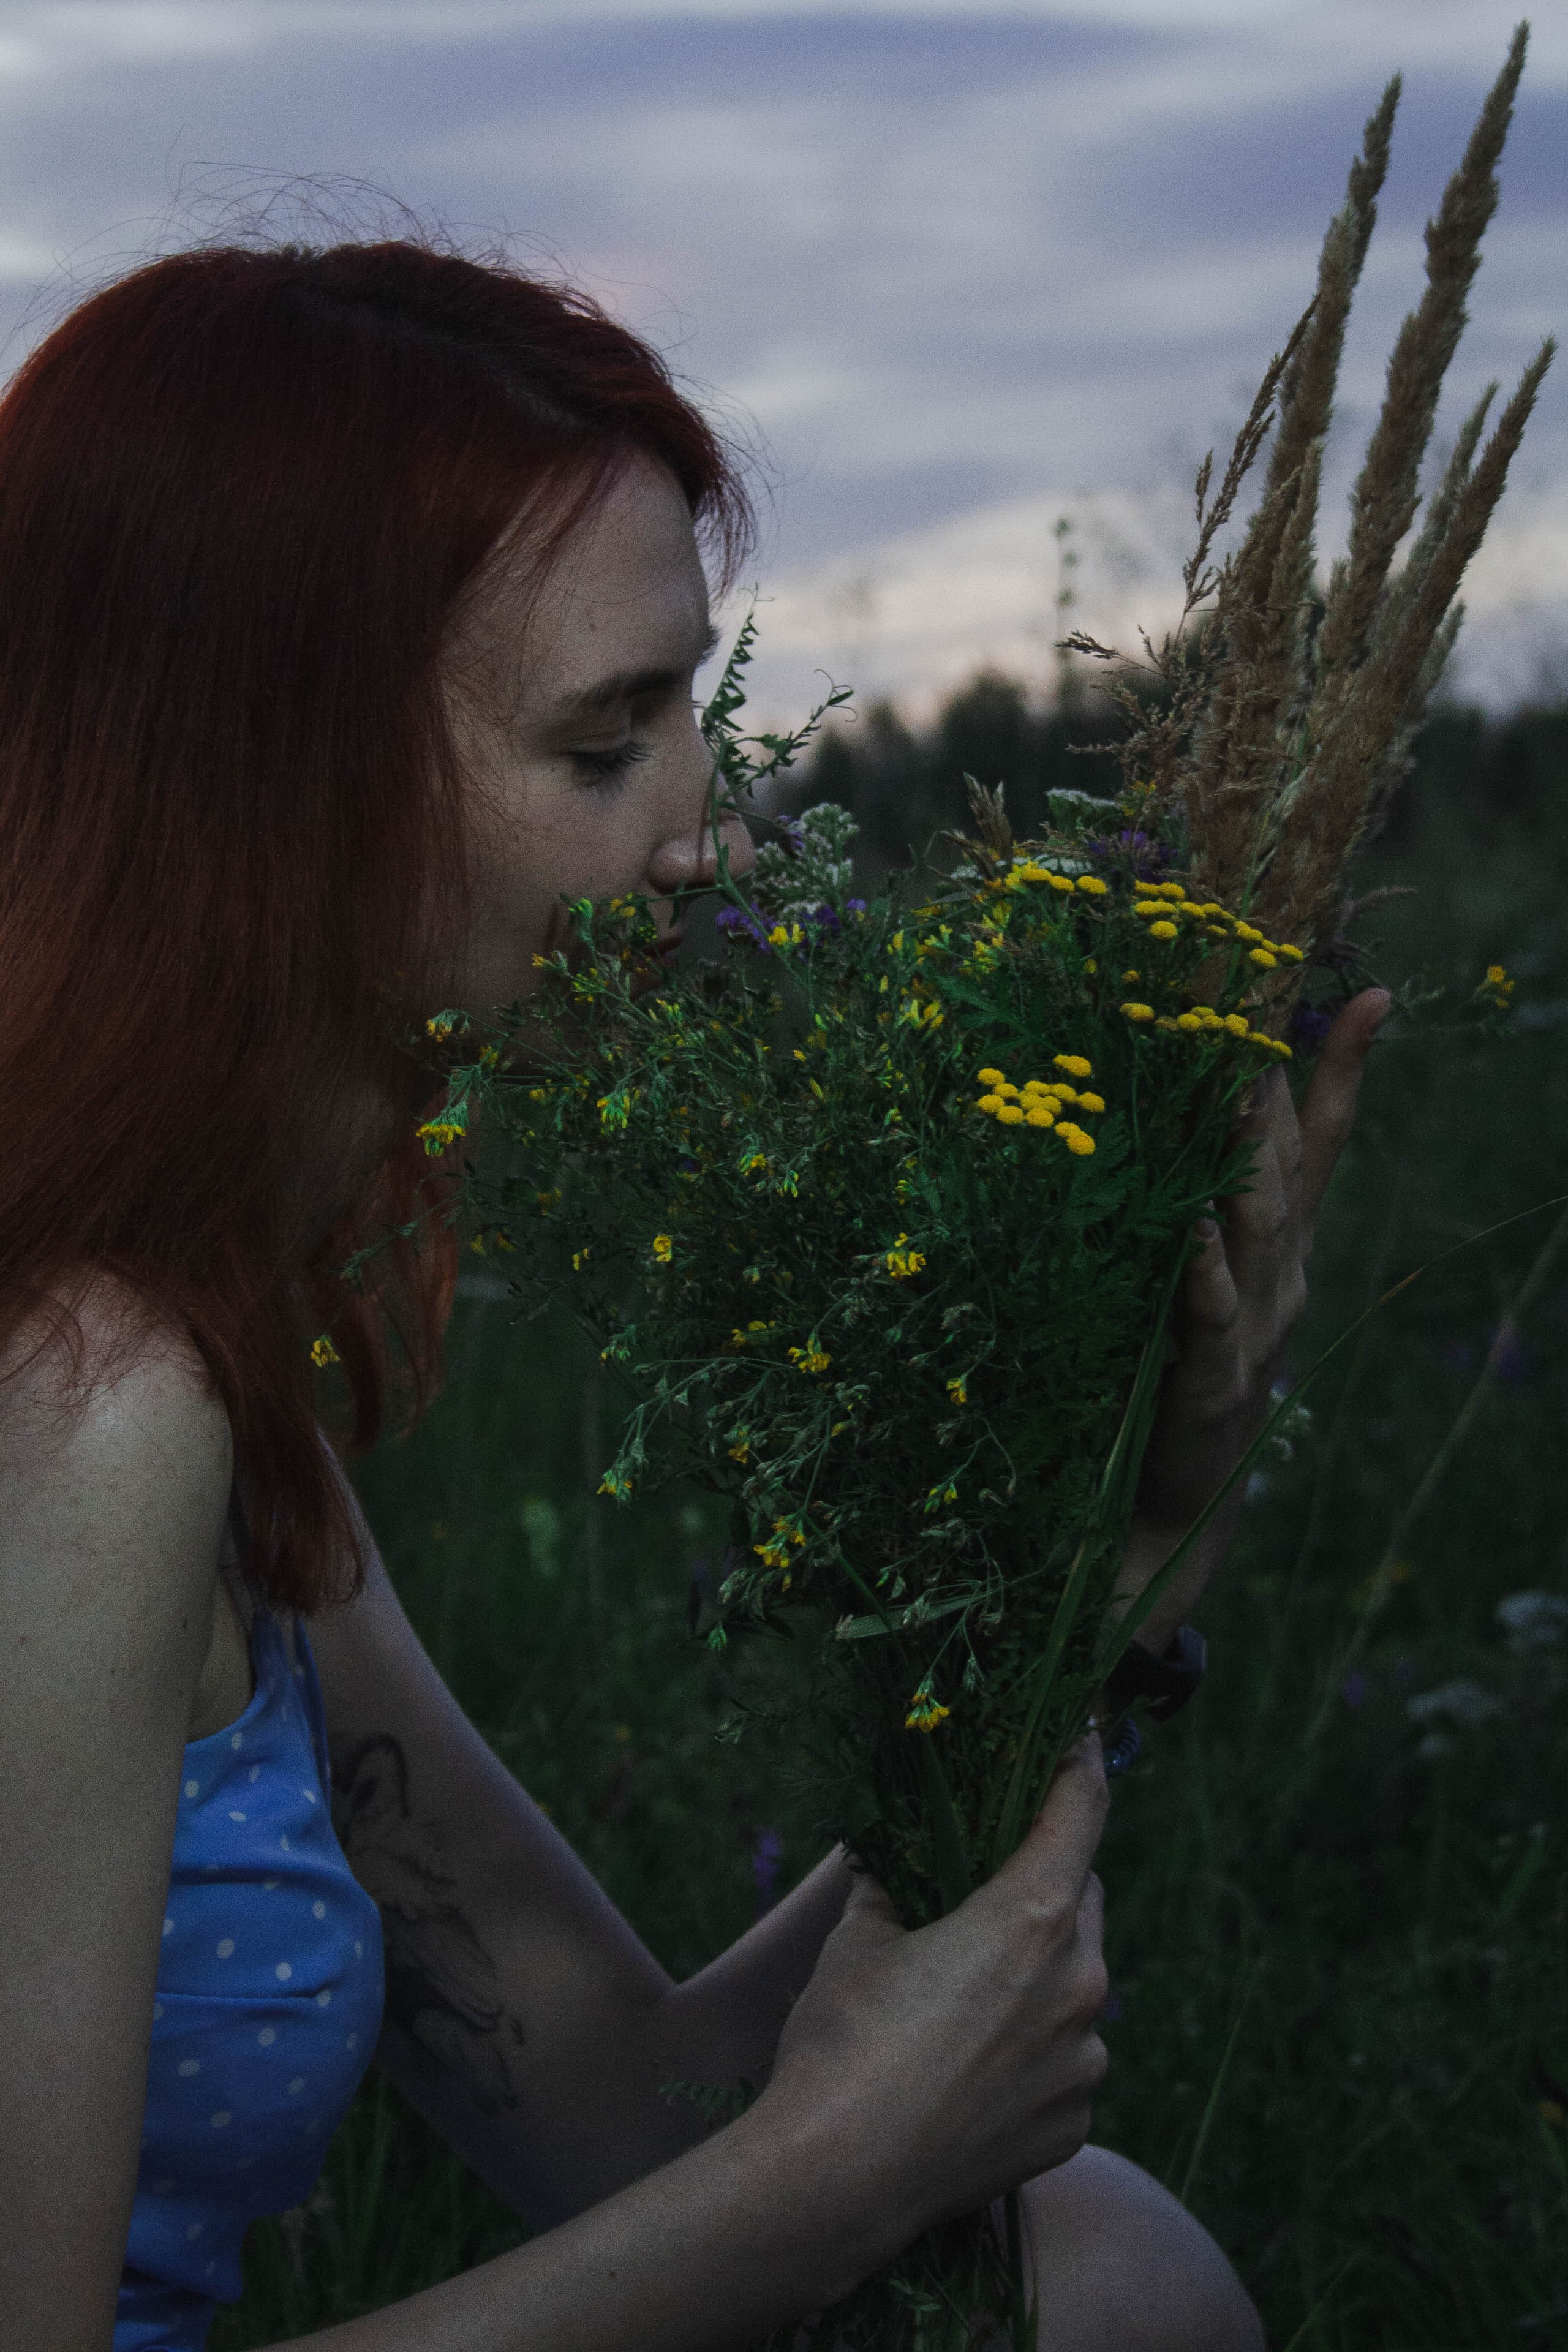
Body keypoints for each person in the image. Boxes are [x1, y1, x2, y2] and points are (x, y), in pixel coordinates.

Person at [0, 238, 1387, 2352]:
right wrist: (842, 2168)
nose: (714, 838)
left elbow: (617, 2105)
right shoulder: (81, 1401)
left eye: (691, 712)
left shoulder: (209, 1379)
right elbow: (757, 2166)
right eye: (605, 743)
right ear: (267, 788)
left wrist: (1126, 1557)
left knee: (1088, 2266)